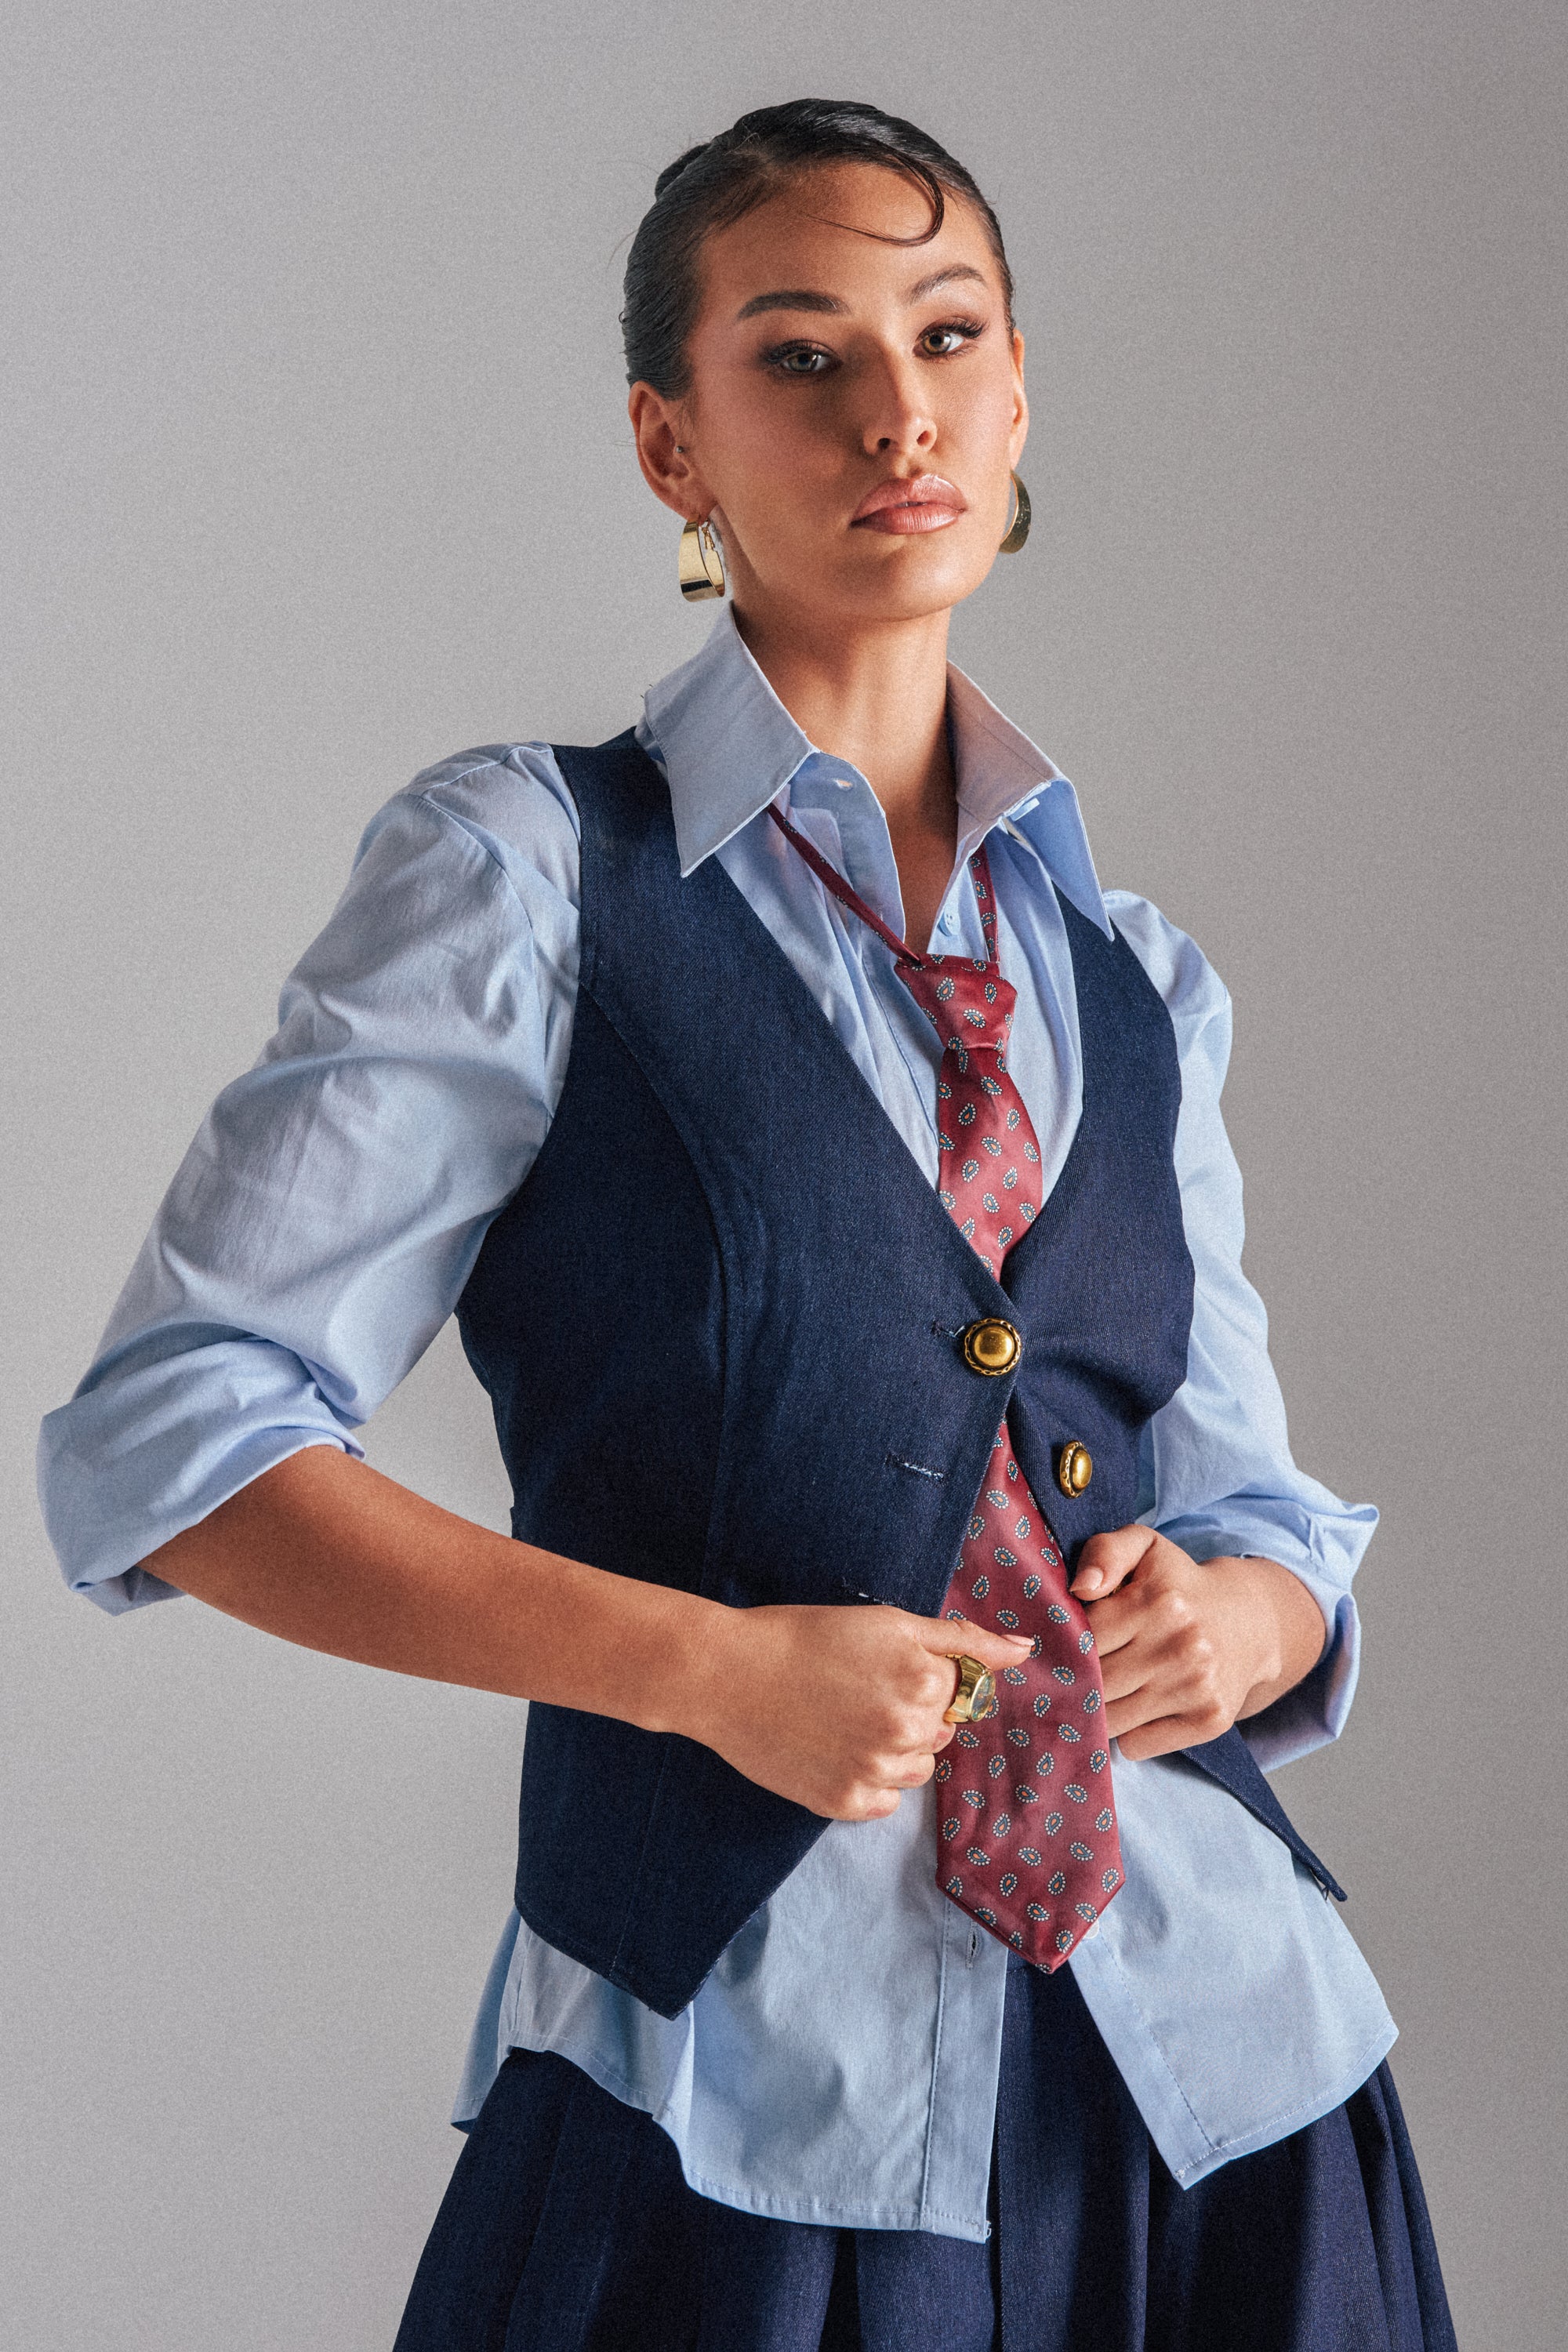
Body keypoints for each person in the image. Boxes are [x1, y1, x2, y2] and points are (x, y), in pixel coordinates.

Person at [38, 99, 1456, 2352]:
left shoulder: (1135, 976)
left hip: (1228, 2091)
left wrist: (1254, 1617)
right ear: (668, 444)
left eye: (948, 335)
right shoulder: (530, 875)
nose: (894, 409)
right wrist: (708, 1673)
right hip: (750, 2100)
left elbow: (1249, 1493)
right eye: (799, 355)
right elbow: (173, 1446)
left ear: (1015, 399)